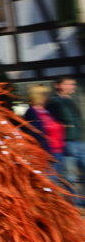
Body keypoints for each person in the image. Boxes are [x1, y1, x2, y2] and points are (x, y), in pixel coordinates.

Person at [46, 77, 85, 205]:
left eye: (73, 84)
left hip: (78, 139)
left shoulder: (69, 100)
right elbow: (56, 122)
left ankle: (80, 201)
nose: (72, 87)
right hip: (67, 141)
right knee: (70, 175)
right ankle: (75, 203)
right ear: (59, 85)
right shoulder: (54, 102)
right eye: (69, 84)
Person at [22, 84, 65, 182]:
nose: (48, 96)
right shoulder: (31, 113)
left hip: (58, 151)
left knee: (58, 182)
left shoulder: (47, 111)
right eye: (45, 94)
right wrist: (45, 154)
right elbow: (35, 135)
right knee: (50, 184)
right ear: (38, 95)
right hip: (47, 155)